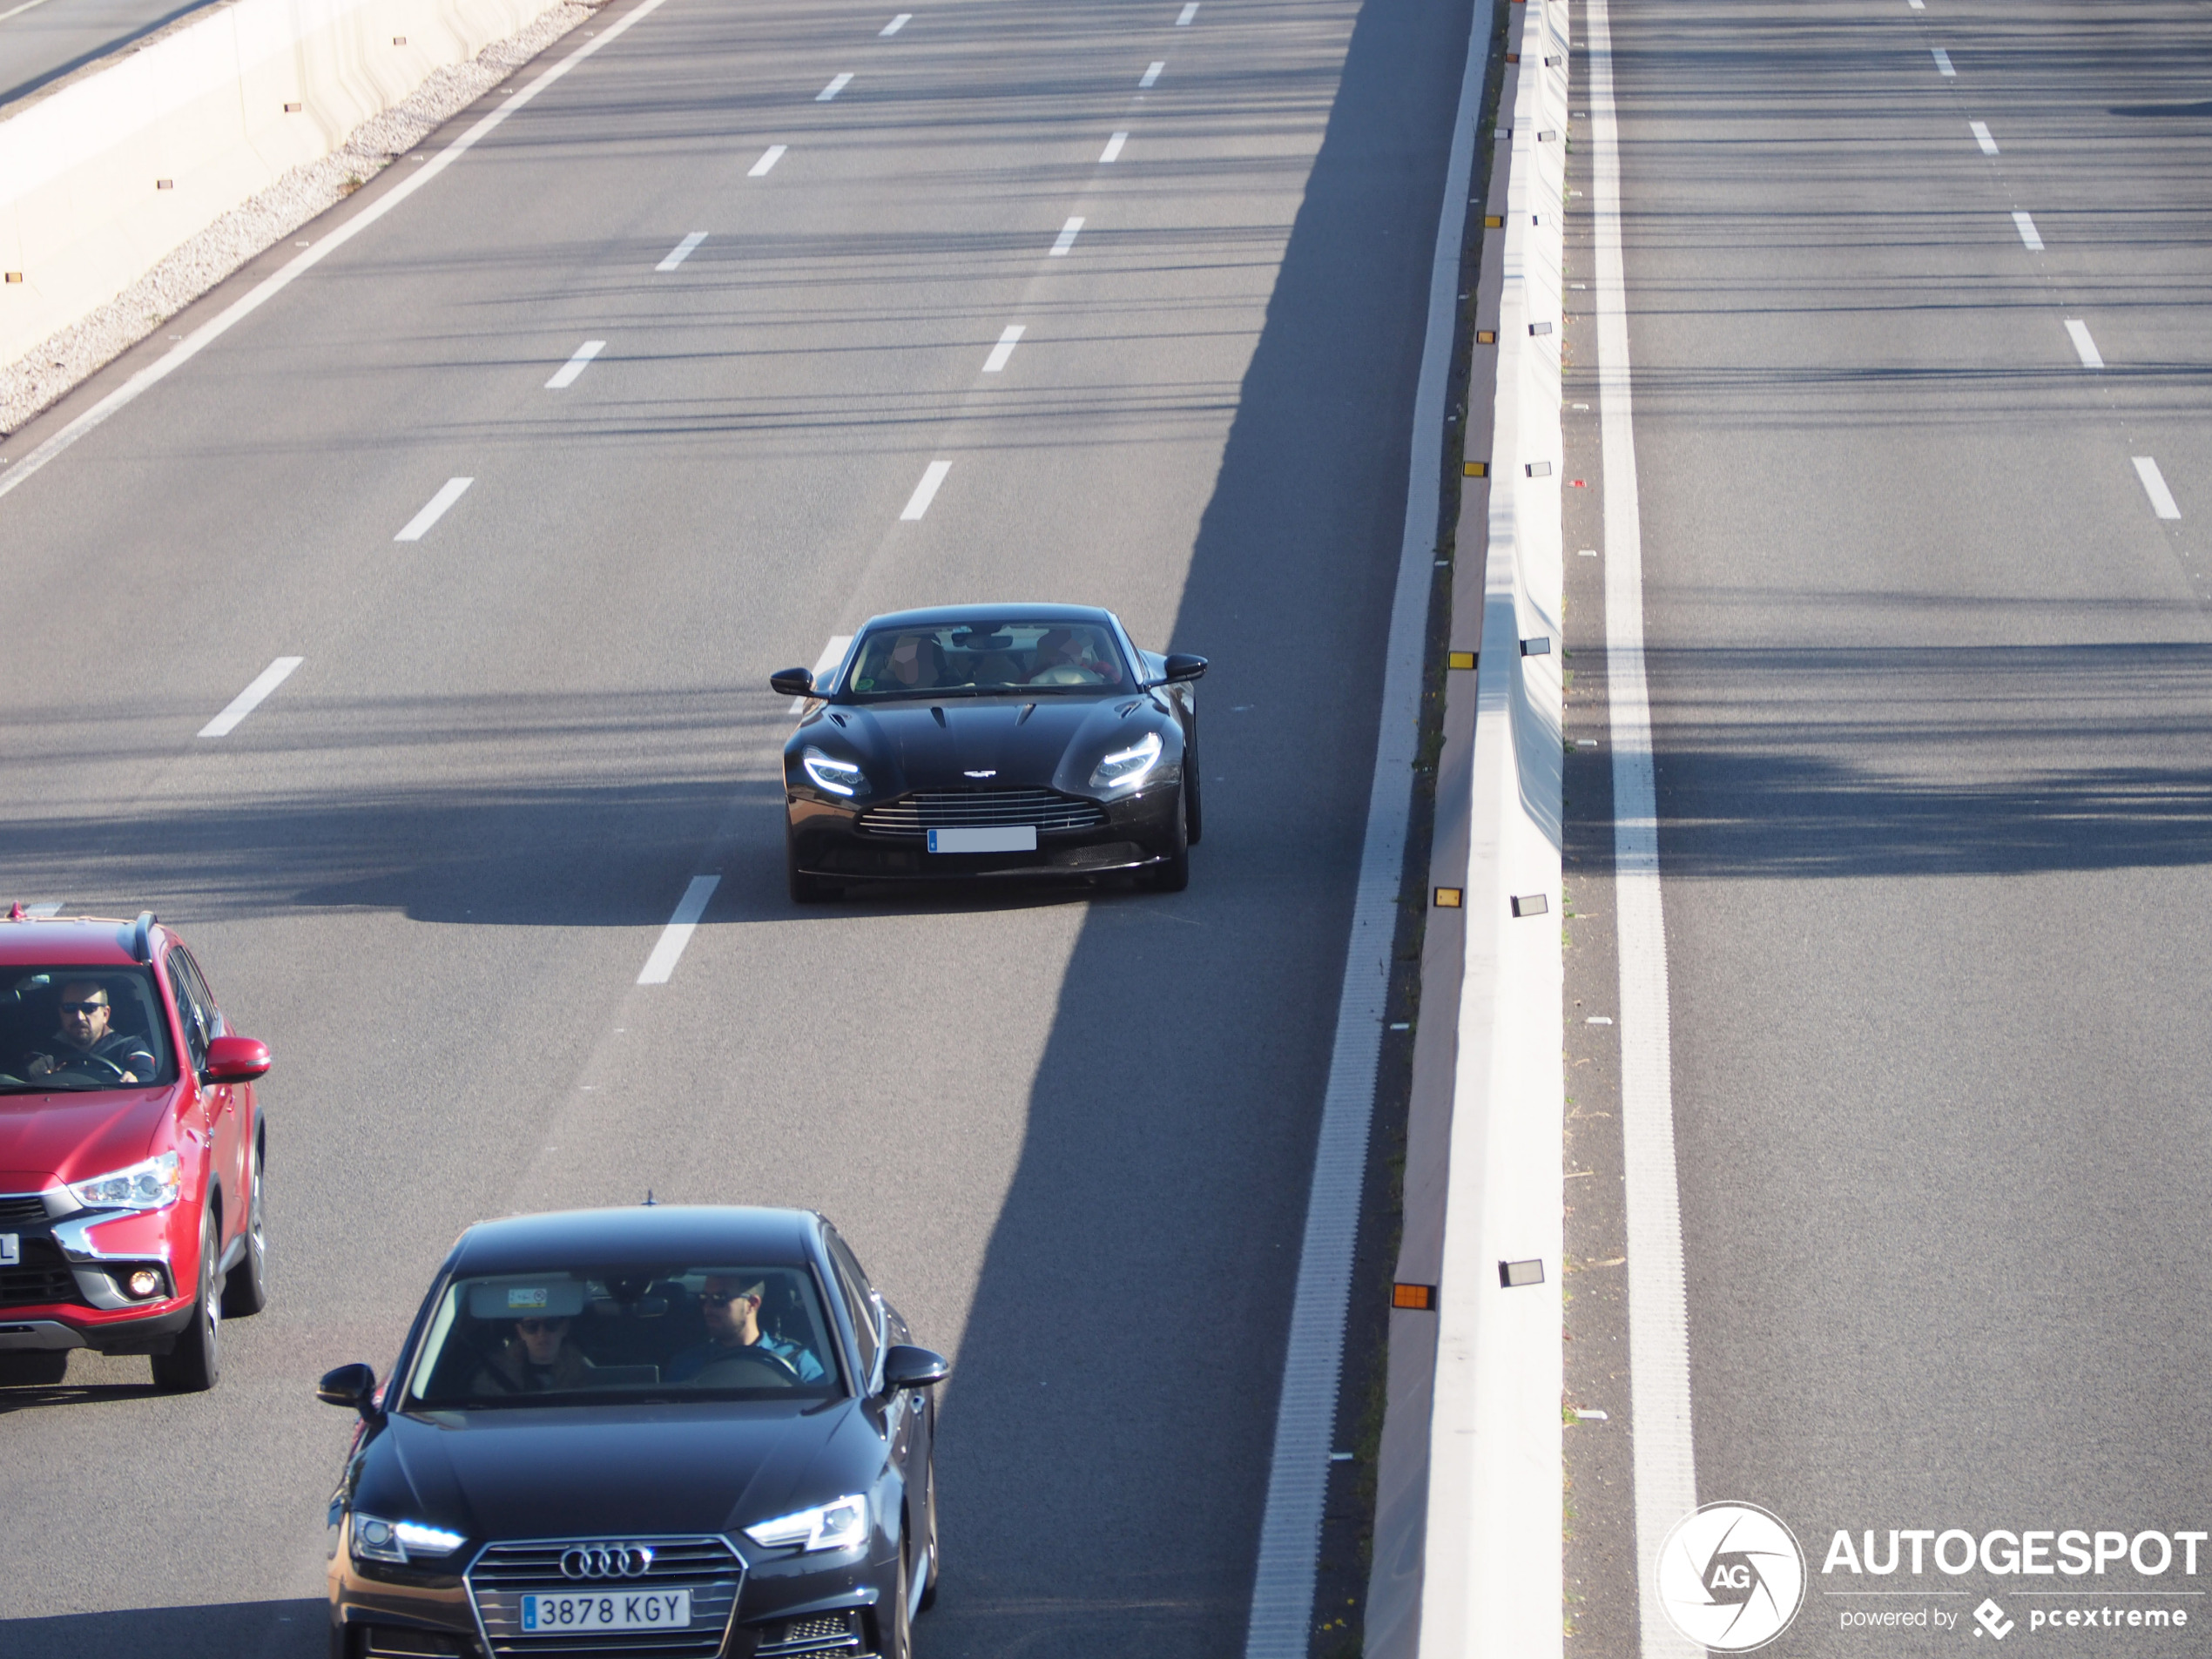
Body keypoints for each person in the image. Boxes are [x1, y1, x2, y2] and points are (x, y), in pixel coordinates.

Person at [667, 1276, 826, 1384]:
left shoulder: (797, 1361)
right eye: (703, 1299)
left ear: (752, 1304)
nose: (708, 1308)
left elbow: (824, 1414)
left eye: (719, 1299)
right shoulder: (688, 1365)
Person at [21, 981, 157, 1083]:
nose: (79, 1016)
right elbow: (16, 1080)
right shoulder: (45, 1050)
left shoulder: (131, 1048)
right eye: (70, 1008)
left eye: (89, 1008)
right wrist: (37, 1073)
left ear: (105, 1014)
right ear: (60, 1012)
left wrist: (135, 1081)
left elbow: (147, 1077)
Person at [472, 1314, 595, 1393]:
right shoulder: (494, 1377)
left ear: (564, 1328)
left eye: (551, 1324)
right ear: (520, 1332)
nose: (541, 1334)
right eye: (531, 1326)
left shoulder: (587, 1377)